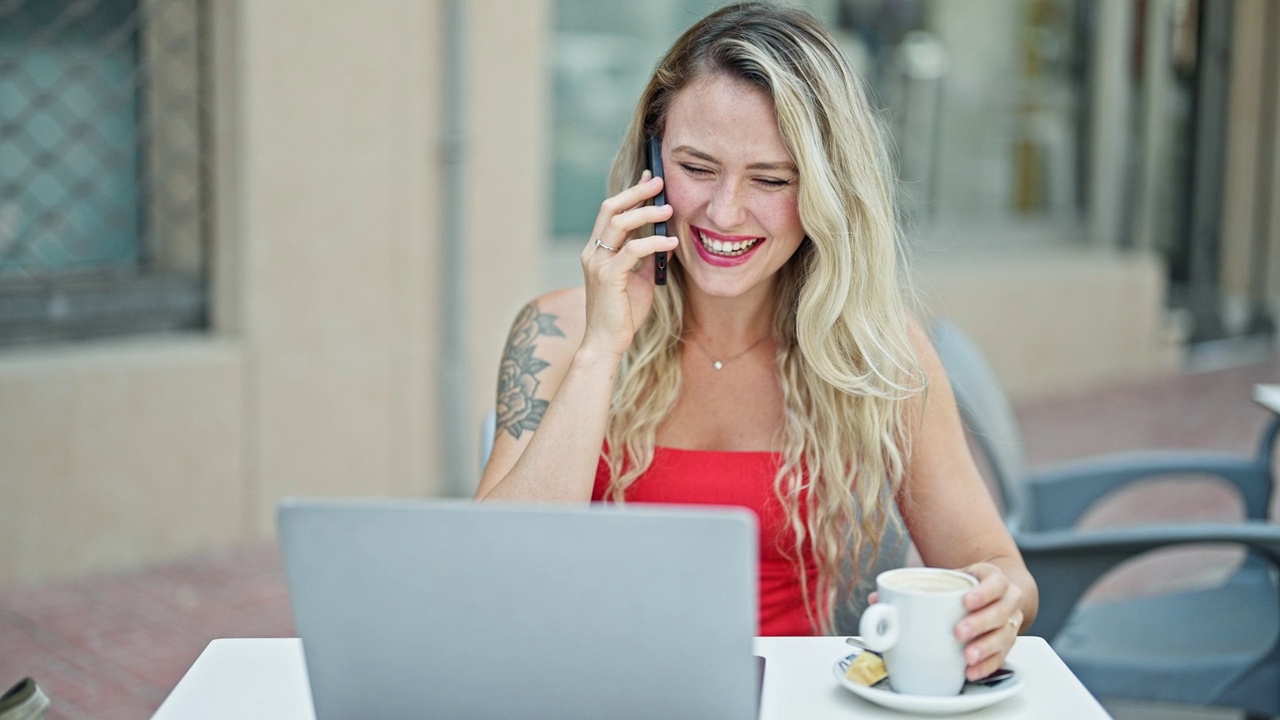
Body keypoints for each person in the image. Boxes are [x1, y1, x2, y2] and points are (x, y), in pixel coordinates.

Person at [476, 2, 1038, 682]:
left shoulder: (877, 351)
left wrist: (999, 604)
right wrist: (602, 349)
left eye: (771, 179)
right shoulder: (558, 332)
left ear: (825, 192)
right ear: (652, 160)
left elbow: (998, 566)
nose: (724, 213)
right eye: (696, 167)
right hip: (592, 692)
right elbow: (494, 573)